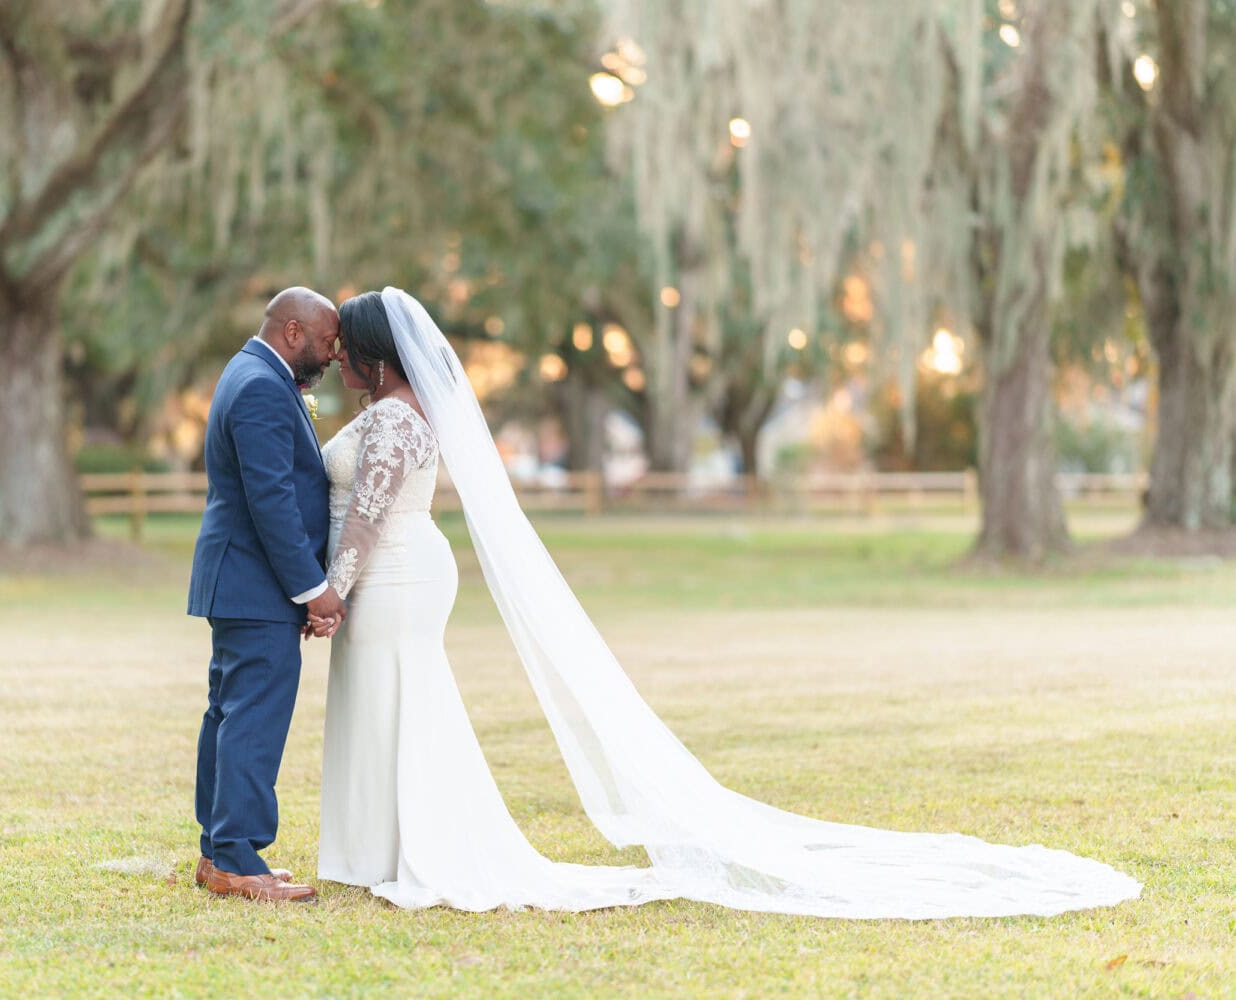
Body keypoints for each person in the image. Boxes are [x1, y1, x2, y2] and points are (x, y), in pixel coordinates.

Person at [308, 287, 1142, 916]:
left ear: (377, 356)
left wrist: (333, 593)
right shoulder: (400, 412)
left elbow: (371, 518)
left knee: (402, 704)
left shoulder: (391, 423)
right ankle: (383, 846)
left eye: (347, 351)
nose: (337, 362)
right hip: (401, 575)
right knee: (396, 705)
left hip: (392, 578)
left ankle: (412, 849)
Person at [186, 287, 344, 903]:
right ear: (295, 332)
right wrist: (313, 589)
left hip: (242, 581)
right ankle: (235, 859)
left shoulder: (251, 373)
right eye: (328, 341)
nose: (334, 355)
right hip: (254, 581)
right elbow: (271, 499)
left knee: (228, 713)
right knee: (252, 715)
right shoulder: (258, 386)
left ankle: (217, 850)